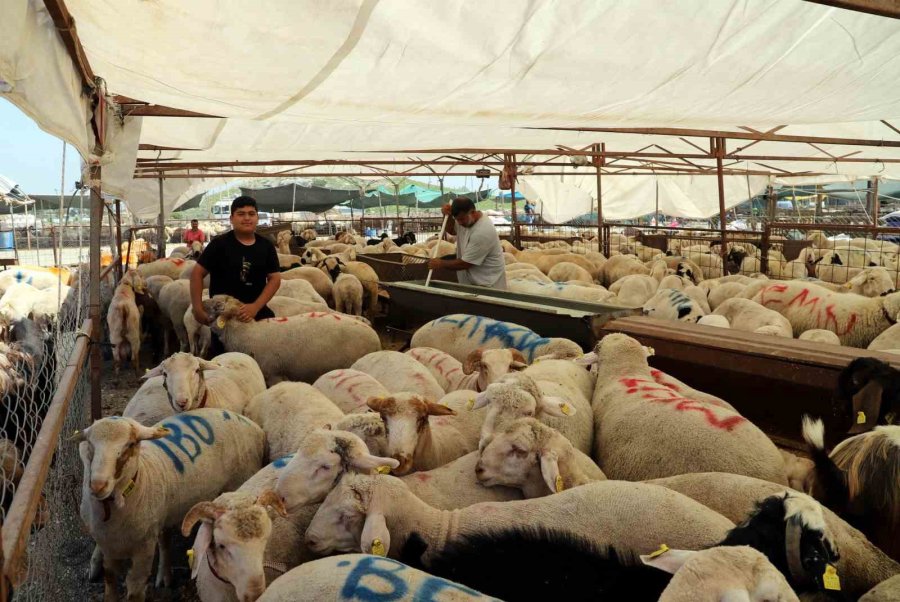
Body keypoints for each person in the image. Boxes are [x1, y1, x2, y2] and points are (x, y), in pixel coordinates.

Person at [190, 196, 281, 351]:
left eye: (251, 214)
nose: (247, 218)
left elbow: (275, 279)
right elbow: (197, 274)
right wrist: (197, 308)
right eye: (241, 214)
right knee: (225, 364)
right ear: (231, 218)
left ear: (257, 218)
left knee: (264, 361)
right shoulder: (219, 244)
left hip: (255, 314)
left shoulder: (266, 246)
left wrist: (256, 306)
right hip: (225, 317)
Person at [428, 198, 507, 289]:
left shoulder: (482, 231)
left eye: (462, 219)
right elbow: (452, 230)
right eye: (457, 219)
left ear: (473, 212)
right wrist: (448, 216)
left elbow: (465, 264)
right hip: (473, 283)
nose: (460, 223)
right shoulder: (467, 220)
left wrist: (441, 263)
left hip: (488, 285)